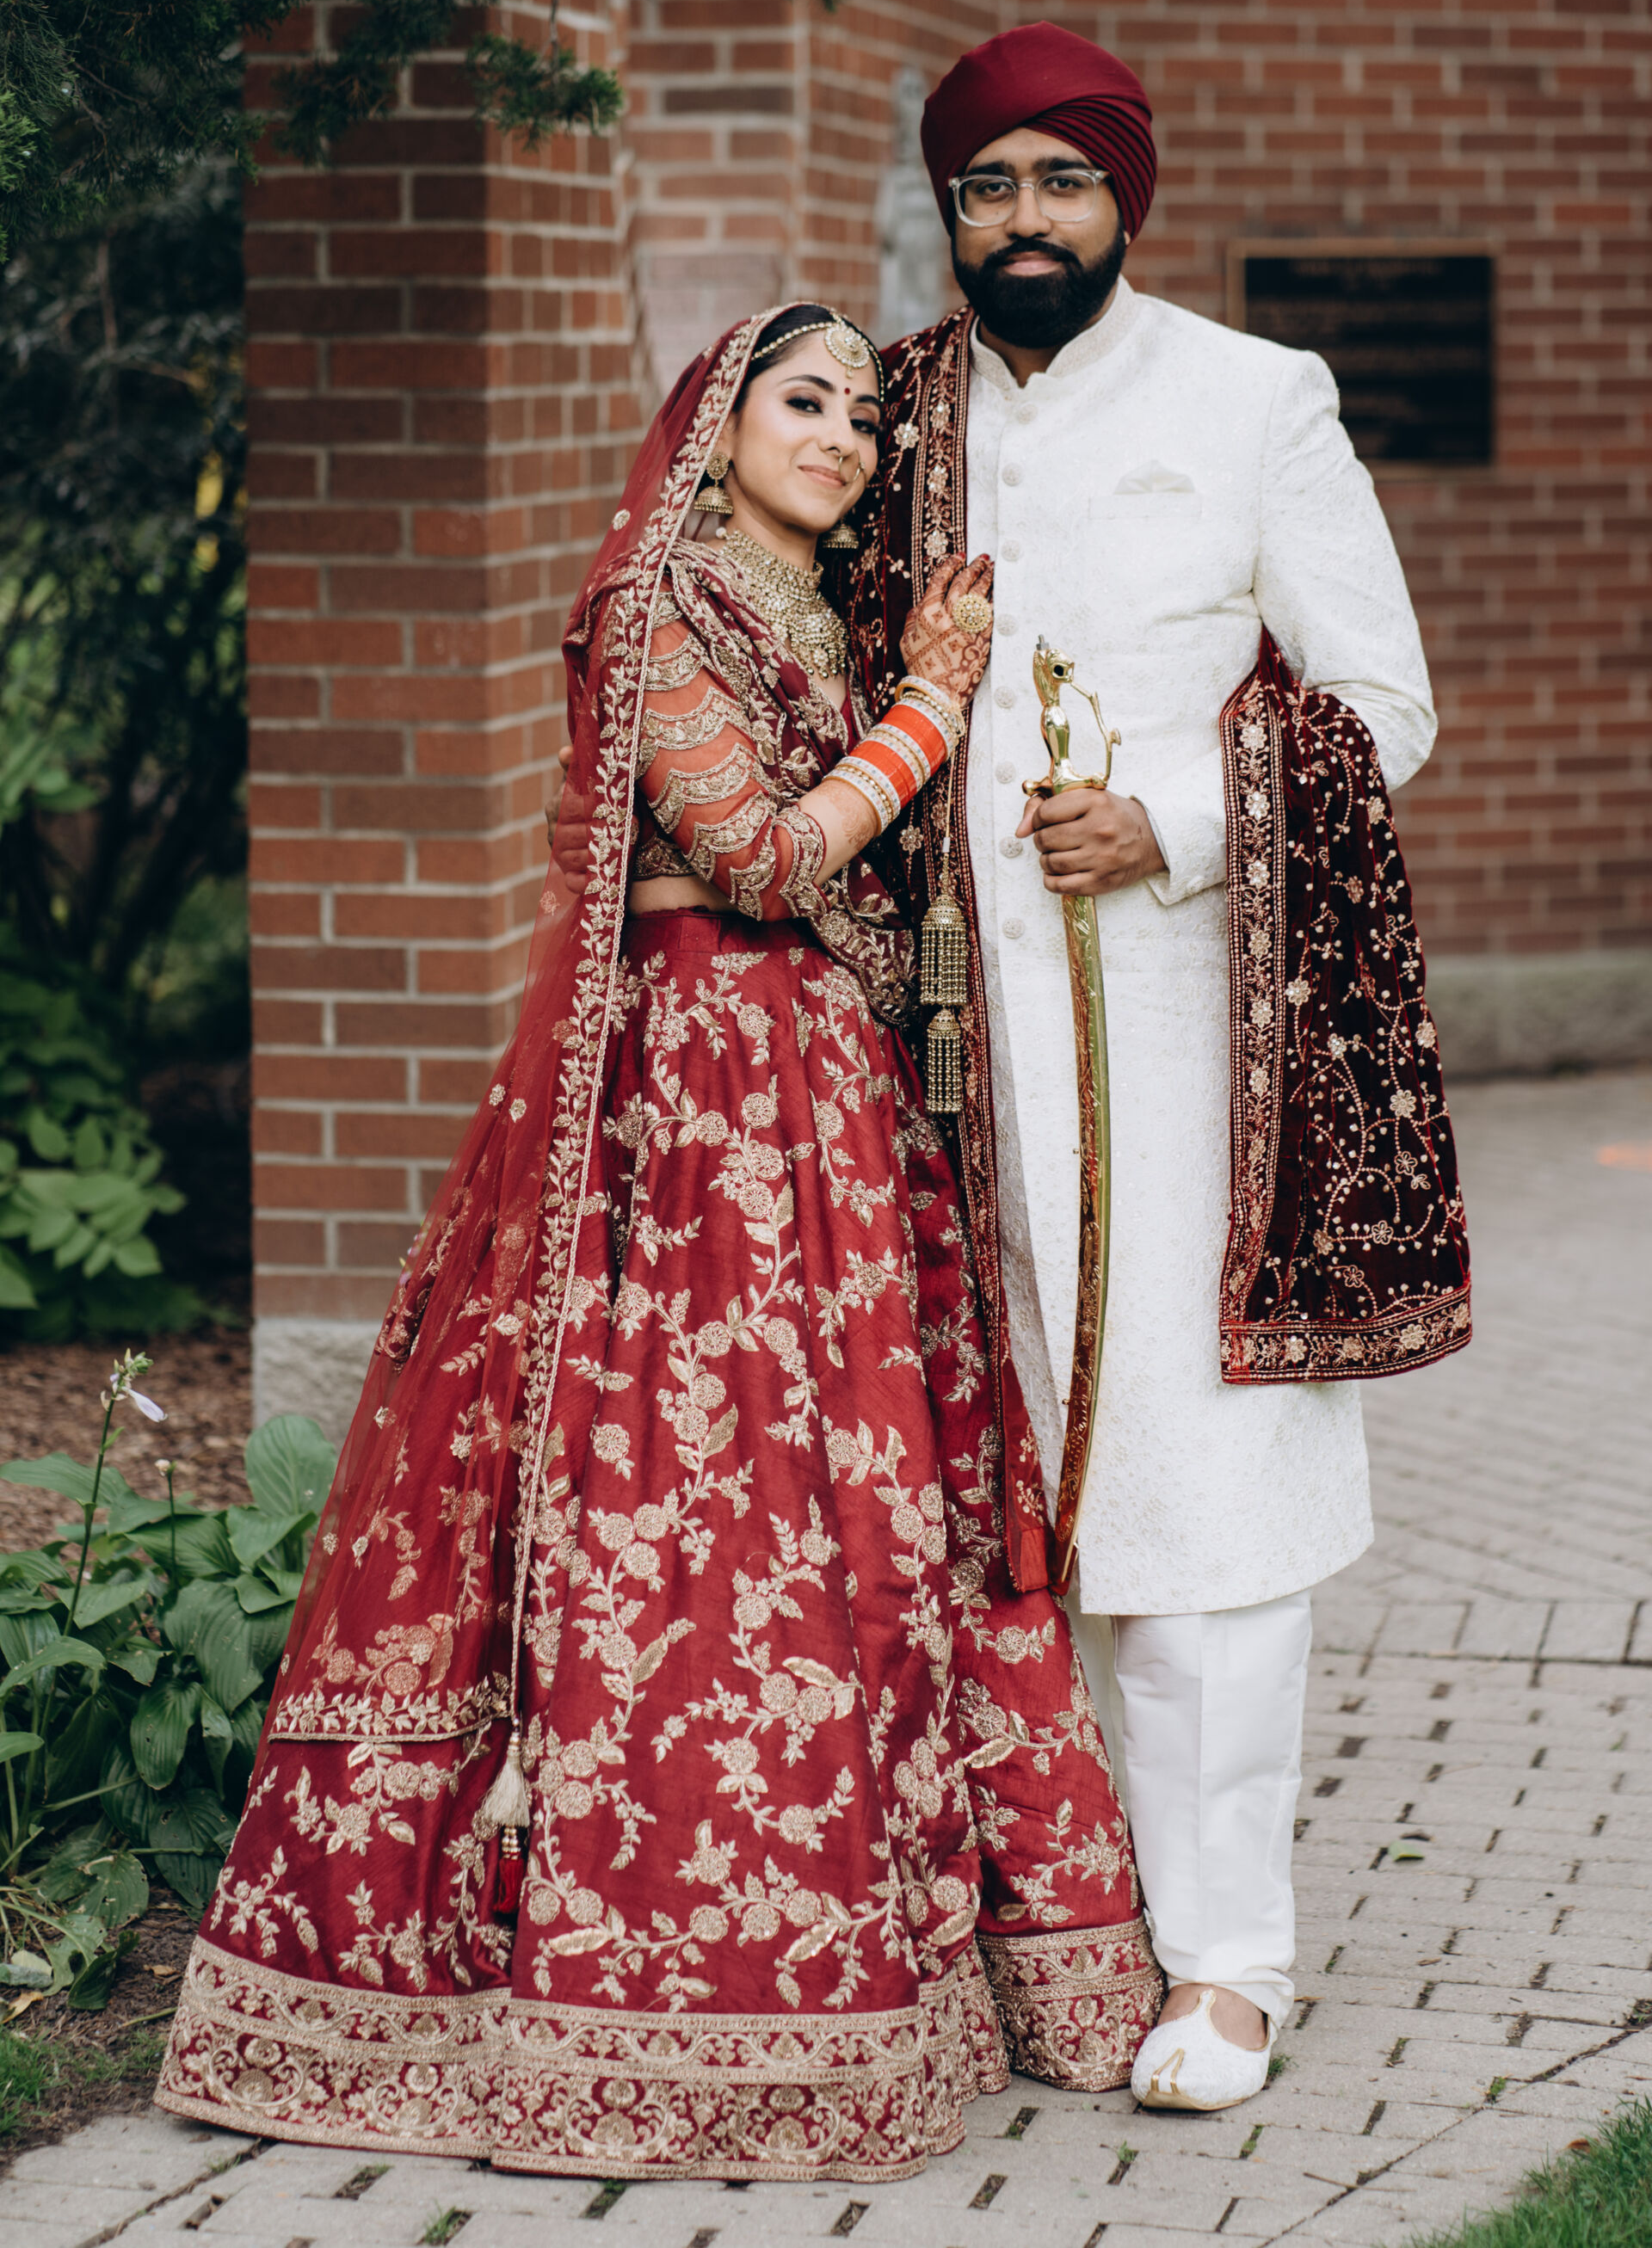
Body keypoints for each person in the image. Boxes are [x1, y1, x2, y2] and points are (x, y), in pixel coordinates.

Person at [157, 303, 1162, 2180]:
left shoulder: (829, 621)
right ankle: (629, 1987)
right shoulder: (658, 606)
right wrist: (932, 706)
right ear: (718, 424)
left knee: (860, 1502)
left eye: (867, 418)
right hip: (692, 1104)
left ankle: (914, 1960)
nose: (844, 437)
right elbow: (762, 857)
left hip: (834, 1100)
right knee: (699, 1491)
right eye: (807, 401)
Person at [848, 28, 1472, 2114]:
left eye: (1061, 179)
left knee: (1199, 1499)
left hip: (1189, 1039)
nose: (1024, 219)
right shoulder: (891, 412)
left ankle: (1227, 1958)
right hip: (930, 1044)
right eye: (987, 185)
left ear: (1124, 196)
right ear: (950, 212)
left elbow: (1380, 703)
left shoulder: (1251, 397)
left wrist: (1180, 826)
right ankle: (1043, 1920)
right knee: (984, 1491)